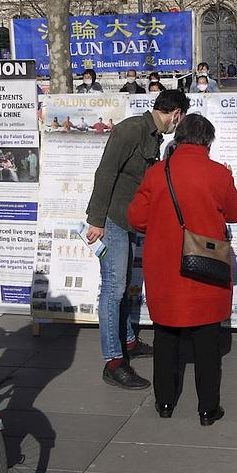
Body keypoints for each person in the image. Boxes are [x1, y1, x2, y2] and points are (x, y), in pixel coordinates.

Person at [128, 114, 237, 424]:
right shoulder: (218, 174)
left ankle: (164, 403)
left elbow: (136, 218)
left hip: (165, 270)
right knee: (208, 343)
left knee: (165, 338)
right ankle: (208, 409)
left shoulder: (156, 173)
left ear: (178, 139)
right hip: (205, 268)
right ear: (208, 141)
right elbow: (234, 213)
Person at [86, 88, 190, 388]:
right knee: (113, 290)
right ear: (176, 114)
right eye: (178, 123)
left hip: (128, 221)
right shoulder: (131, 130)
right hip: (113, 222)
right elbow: (105, 173)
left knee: (124, 288)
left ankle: (129, 342)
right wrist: (96, 221)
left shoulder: (153, 136)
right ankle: (114, 362)